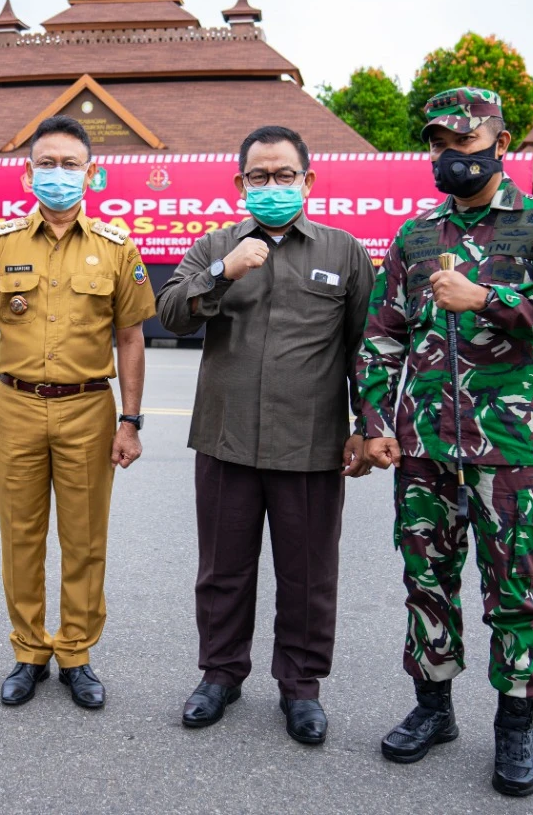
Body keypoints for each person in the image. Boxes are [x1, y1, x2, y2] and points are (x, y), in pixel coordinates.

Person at [354, 88, 533, 797]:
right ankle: (434, 710)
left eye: (465, 140)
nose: (451, 154)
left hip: (509, 451)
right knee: (426, 584)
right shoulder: (416, 235)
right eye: (439, 142)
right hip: (425, 448)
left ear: (499, 139)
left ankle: (515, 728)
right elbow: (382, 336)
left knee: (515, 592)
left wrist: (486, 297)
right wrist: (374, 424)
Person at [155, 126, 375, 744]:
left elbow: (365, 349)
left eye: (285, 176)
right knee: (223, 570)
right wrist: (223, 272)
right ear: (240, 183)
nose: (272, 186)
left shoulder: (344, 252)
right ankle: (220, 675)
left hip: (310, 443)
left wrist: (367, 425)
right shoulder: (216, 245)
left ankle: (301, 687)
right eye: (260, 177)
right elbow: (170, 314)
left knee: (308, 574)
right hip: (226, 439)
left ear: (308, 180)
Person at [0, 115, 157, 710]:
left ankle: (77, 653)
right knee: (22, 536)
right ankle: (29, 650)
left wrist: (130, 420)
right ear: (28, 172)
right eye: (47, 165)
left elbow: (130, 337)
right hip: (17, 405)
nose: (59, 175)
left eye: (70, 164)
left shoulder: (116, 247)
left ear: (92, 172)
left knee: (85, 540)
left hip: (89, 408)